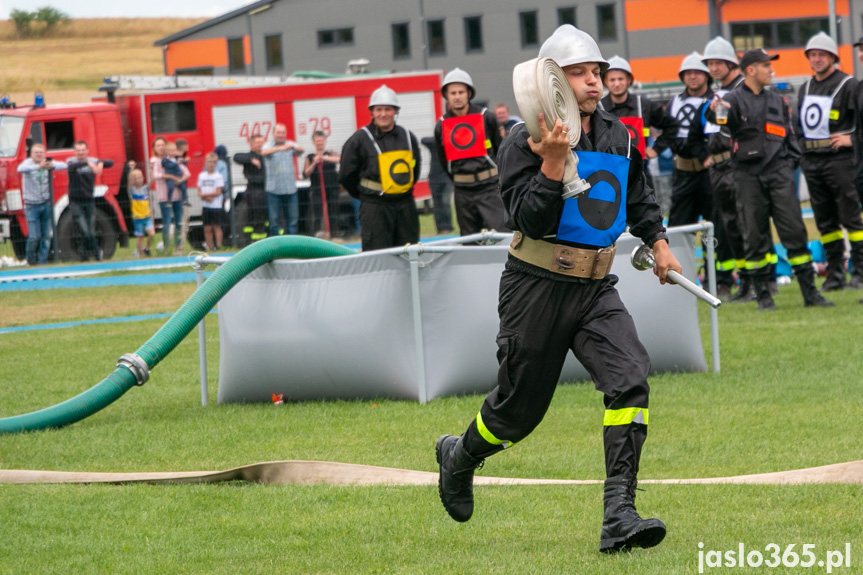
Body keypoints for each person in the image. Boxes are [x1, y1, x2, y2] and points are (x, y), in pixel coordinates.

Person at [435, 24, 679, 554]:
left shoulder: (619, 135)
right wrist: (550, 162)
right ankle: (461, 456)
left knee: (630, 377)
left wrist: (658, 240)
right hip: (535, 286)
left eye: (596, 71)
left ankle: (620, 515)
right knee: (517, 414)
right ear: (552, 82)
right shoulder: (521, 140)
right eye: (581, 73)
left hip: (596, 287)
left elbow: (638, 198)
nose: (595, 81)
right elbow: (524, 216)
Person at [707, 49, 833, 310]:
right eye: (766, 65)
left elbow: (789, 135)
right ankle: (763, 296)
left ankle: (810, 294)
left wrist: (789, 164)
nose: (771, 70)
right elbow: (720, 119)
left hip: (779, 173)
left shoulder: (777, 100)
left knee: (795, 232)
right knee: (754, 236)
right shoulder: (732, 99)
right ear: (750, 70)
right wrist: (714, 111)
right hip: (746, 176)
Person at [797, 32, 863, 292]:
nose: (816, 59)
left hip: (840, 161)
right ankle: (835, 273)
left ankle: (860, 271)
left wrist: (850, 139)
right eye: (812, 55)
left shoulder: (849, 84)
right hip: (813, 163)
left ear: (832, 57)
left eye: (821, 55)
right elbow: (798, 125)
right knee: (825, 221)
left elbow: (859, 119)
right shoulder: (806, 87)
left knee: (851, 218)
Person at [688, 37, 752, 301]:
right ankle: (744, 281)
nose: (712, 68)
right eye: (710, 63)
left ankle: (761, 281)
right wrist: (705, 155)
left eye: (717, 63)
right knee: (730, 228)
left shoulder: (743, 92)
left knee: (748, 225)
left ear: (731, 64)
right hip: (717, 169)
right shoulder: (714, 97)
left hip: (738, 167)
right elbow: (695, 134)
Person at [339, 84, 421, 251]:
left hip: (405, 206)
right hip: (374, 207)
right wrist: (366, 194)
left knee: (410, 253)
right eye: (379, 109)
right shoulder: (359, 139)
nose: (383, 114)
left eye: (388, 109)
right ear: (372, 112)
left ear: (395, 111)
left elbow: (415, 168)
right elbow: (346, 175)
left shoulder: (407, 137)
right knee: (377, 256)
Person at [434, 68, 507, 237]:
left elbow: (501, 149)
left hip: (490, 187)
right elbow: (443, 160)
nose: (457, 96)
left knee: (502, 235)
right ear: (447, 95)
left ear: (469, 93)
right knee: (469, 239)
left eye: (461, 92)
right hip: (462, 191)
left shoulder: (486, 117)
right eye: (452, 93)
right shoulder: (441, 125)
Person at [599, 55, 679, 193]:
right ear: (605, 81)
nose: (617, 83)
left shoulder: (644, 105)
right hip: (609, 178)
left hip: (641, 176)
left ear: (629, 80)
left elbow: (672, 126)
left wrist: (656, 149)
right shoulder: (598, 108)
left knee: (649, 214)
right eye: (612, 79)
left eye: (620, 79)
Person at [17, 143, 66, 265]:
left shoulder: (47, 162)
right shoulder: (27, 164)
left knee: (46, 236)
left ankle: (42, 262)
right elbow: (20, 169)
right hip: (31, 206)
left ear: (44, 153)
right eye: (36, 152)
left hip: (46, 204)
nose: (39, 154)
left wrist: (51, 165)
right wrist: (38, 167)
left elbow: (64, 165)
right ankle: (30, 260)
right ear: (31, 154)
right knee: (34, 237)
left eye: (41, 152)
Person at [66, 141, 113, 261]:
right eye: (78, 150)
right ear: (75, 152)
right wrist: (90, 163)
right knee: (85, 230)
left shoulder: (94, 160)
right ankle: (97, 255)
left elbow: (111, 162)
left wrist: (100, 163)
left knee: (90, 231)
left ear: (87, 151)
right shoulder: (71, 161)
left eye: (83, 150)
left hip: (89, 201)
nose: (81, 152)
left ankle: (84, 256)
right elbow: (72, 167)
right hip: (75, 202)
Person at [262, 124, 303, 236]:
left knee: (293, 219)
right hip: (273, 190)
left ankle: (292, 244)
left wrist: (292, 147)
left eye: (283, 133)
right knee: (274, 220)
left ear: (286, 134)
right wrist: (280, 148)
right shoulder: (268, 145)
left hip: (290, 189)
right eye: (278, 133)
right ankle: (276, 244)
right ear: (273, 133)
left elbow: (301, 150)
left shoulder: (290, 144)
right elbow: (263, 152)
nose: (280, 135)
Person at [150, 137, 188, 255]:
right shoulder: (155, 161)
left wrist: (180, 180)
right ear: (155, 149)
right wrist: (169, 177)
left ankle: (178, 247)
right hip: (164, 196)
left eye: (162, 145)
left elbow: (185, 172)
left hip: (177, 195)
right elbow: (155, 175)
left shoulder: (174, 160)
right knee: (166, 221)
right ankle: (167, 247)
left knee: (179, 222)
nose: (161, 148)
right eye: (158, 145)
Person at [303, 130, 342, 238]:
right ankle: (316, 235)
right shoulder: (310, 157)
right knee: (317, 214)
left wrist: (324, 157)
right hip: (316, 190)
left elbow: (339, 159)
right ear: (313, 142)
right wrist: (315, 163)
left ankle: (334, 234)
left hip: (332, 188)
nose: (320, 143)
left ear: (325, 141)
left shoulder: (330, 154)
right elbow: (306, 173)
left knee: (333, 212)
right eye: (317, 141)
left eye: (321, 140)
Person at [233, 134, 268, 245]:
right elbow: (236, 157)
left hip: (267, 190)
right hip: (253, 191)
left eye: (262, 142)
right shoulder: (249, 157)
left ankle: (265, 239)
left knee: (267, 218)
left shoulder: (267, 155)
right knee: (253, 217)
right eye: (258, 142)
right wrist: (251, 160)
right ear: (251, 144)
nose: (260, 144)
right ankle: (251, 241)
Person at [421, 135, 454, 234]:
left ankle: (447, 227)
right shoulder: (433, 144)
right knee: (437, 204)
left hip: (447, 177)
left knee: (445, 202)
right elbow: (423, 139)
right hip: (434, 178)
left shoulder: (450, 143)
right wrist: (439, 139)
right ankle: (439, 228)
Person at [197, 152, 225, 250]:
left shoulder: (218, 176)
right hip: (206, 205)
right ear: (206, 163)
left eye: (214, 162)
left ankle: (219, 246)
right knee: (207, 228)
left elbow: (218, 191)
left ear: (216, 163)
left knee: (216, 226)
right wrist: (206, 197)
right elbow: (199, 191)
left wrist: (205, 196)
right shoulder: (202, 176)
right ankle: (210, 247)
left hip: (216, 205)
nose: (211, 164)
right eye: (209, 162)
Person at [127, 166, 155, 257]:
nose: (139, 180)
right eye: (137, 178)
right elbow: (129, 183)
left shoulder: (145, 189)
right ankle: (141, 254)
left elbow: (152, 181)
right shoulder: (132, 191)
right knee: (140, 237)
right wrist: (131, 169)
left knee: (152, 234)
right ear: (133, 180)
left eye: (141, 177)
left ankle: (147, 248)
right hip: (137, 218)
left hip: (146, 217)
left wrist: (151, 171)